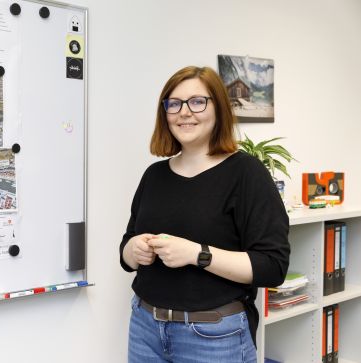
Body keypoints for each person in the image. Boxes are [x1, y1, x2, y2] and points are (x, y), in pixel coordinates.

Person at [119, 66, 290, 363]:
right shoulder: (154, 175)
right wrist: (132, 251)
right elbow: (127, 248)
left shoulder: (246, 173)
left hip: (214, 337)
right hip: (145, 329)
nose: (184, 112)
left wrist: (197, 254)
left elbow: (272, 266)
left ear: (219, 108)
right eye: (174, 104)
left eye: (197, 101)